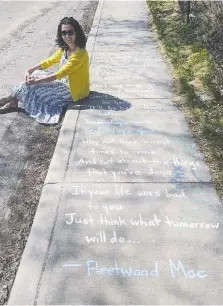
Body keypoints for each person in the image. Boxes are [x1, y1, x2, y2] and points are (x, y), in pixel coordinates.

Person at [0, 17, 90, 124]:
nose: (67, 36)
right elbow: (49, 61)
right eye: (64, 33)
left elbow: (61, 73)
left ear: (77, 33)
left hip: (73, 91)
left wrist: (37, 81)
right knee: (35, 73)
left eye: (70, 32)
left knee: (33, 83)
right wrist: (30, 70)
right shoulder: (65, 49)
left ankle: (11, 98)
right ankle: (14, 100)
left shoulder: (80, 53)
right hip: (63, 82)